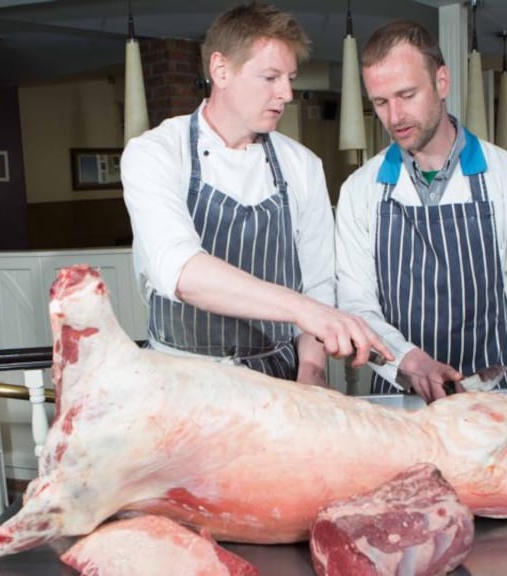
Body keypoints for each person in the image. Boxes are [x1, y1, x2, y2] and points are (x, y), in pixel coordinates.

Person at [335, 20, 507, 434]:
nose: (395, 116)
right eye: (381, 102)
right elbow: (357, 306)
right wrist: (409, 360)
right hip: (402, 406)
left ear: (442, 81)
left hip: (496, 404)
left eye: (407, 95)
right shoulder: (360, 190)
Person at [121, 1, 390, 386]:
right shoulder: (156, 153)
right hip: (180, 381)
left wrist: (312, 369)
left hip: (278, 379)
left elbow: (317, 283)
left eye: (290, 78)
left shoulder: (302, 165)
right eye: (270, 77)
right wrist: (302, 310)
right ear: (221, 70)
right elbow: (182, 271)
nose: (286, 93)